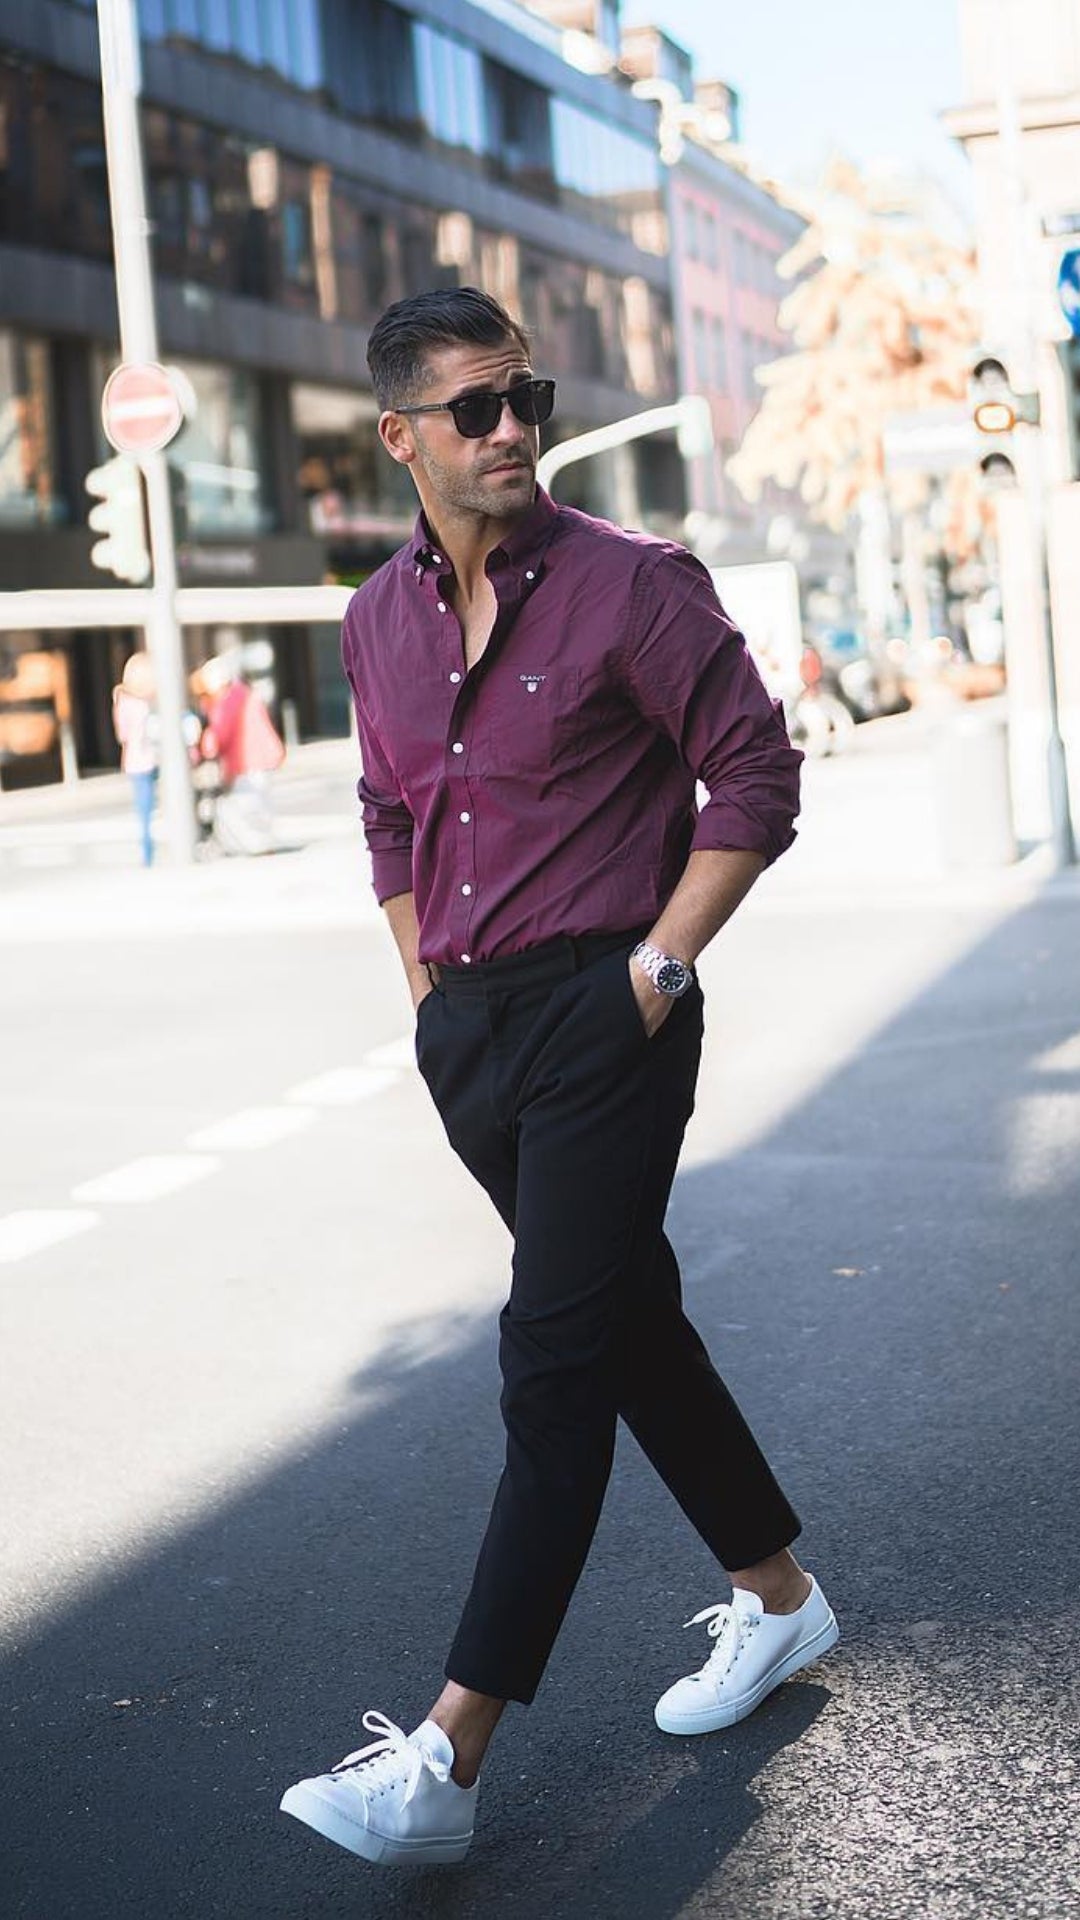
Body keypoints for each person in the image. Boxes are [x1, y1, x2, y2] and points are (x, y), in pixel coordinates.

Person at [280, 288, 839, 1869]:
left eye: (526, 394)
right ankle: (782, 1601)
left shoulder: (631, 586)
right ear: (402, 437)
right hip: (471, 1030)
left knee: (551, 1359)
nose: (512, 425)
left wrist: (656, 974)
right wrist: (419, 976)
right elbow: (391, 811)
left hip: (611, 1014)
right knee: (624, 1324)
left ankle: (445, 1765)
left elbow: (756, 771)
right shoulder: (373, 620)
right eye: (474, 406)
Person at [193, 653, 284, 854]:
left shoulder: (230, 700)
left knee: (242, 805)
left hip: (249, 760)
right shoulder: (242, 692)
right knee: (256, 804)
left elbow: (219, 735)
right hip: (259, 758)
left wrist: (201, 748)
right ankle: (262, 845)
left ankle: (259, 846)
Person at [111, 650, 159, 868]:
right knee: (151, 806)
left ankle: (148, 852)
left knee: (145, 810)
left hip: (136, 760)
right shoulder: (149, 702)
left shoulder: (123, 702)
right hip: (153, 757)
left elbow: (122, 735)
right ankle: (150, 850)